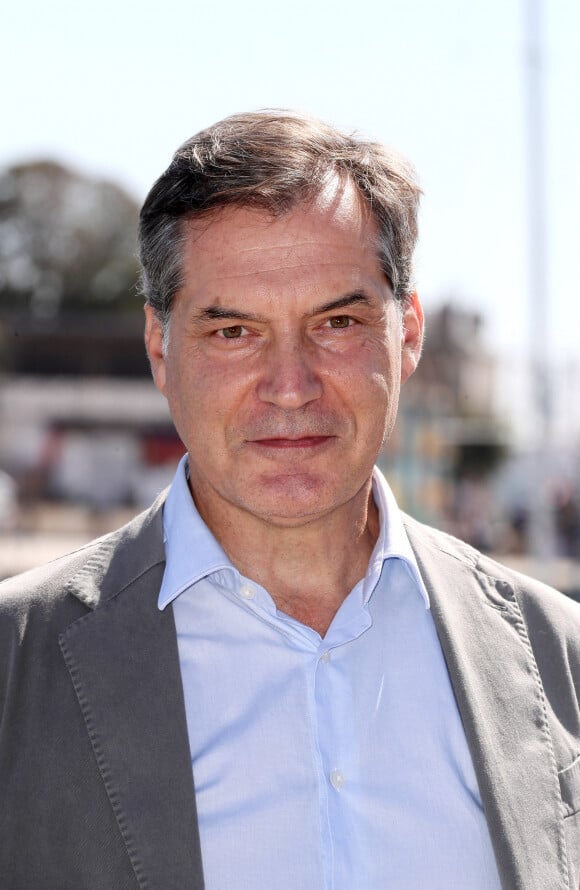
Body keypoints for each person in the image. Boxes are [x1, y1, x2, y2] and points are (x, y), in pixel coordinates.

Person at [1, 111, 579, 890]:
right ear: (159, 348)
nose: (290, 386)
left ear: (406, 334)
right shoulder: (16, 667)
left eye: (336, 323)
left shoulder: (558, 658)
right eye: (234, 332)